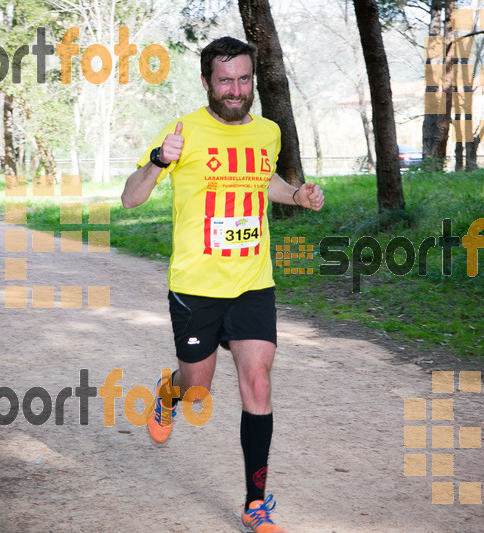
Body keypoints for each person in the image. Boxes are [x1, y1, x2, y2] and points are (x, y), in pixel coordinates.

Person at [121, 36, 324, 533]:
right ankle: (169, 393)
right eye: (225, 80)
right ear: (208, 82)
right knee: (198, 396)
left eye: (243, 79)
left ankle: (256, 503)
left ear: (252, 79)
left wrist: (295, 194)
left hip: (253, 281)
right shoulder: (183, 131)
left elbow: (265, 181)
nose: (235, 90)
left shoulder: (268, 132)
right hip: (196, 286)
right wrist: (158, 159)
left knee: (258, 382)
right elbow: (130, 198)